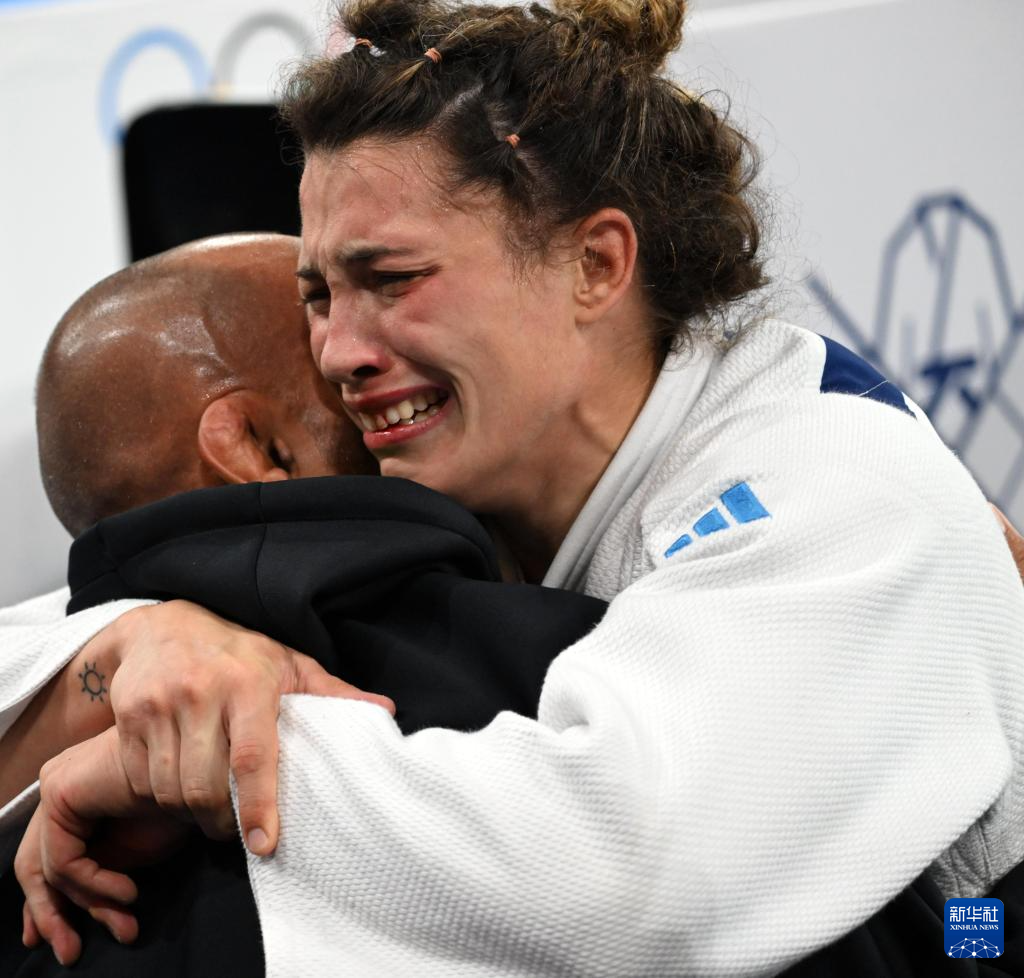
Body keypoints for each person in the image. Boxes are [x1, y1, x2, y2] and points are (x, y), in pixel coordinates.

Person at [6, 1, 1024, 974]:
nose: (338, 353)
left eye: (393, 279)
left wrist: (190, 770)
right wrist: (139, 645)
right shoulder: (480, 460)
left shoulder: (836, 482)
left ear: (595, 264)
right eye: (318, 294)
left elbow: (633, 877)